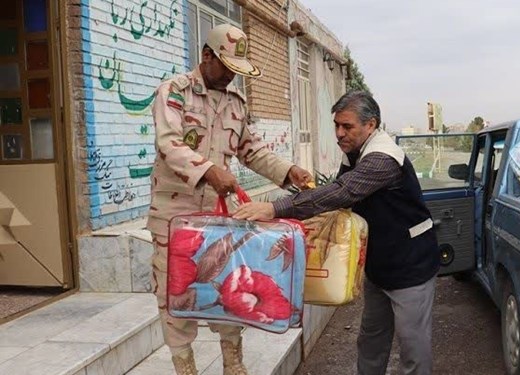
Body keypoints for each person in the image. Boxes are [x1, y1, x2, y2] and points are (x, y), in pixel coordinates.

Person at [233, 90, 440, 375]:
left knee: (413, 349)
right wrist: (304, 189)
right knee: (370, 340)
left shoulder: (383, 158)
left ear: (371, 124)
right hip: (379, 266)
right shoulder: (354, 152)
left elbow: (343, 192)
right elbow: (336, 194)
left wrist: (275, 209)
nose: (339, 133)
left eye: (347, 126)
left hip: (411, 266)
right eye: (336, 126)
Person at [146, 24, 312, 375]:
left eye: (237, 70)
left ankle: (234, 366)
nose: (231, 77)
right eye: (227, 67)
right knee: (174, 297)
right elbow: (169, 144)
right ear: (207, 56)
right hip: (174, 217)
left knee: (228, 286)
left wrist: (288, 171)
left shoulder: (235, 101)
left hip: (219, 220)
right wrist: (209, 170)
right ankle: (185, 368)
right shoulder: (173, 92)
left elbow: (252, 150)